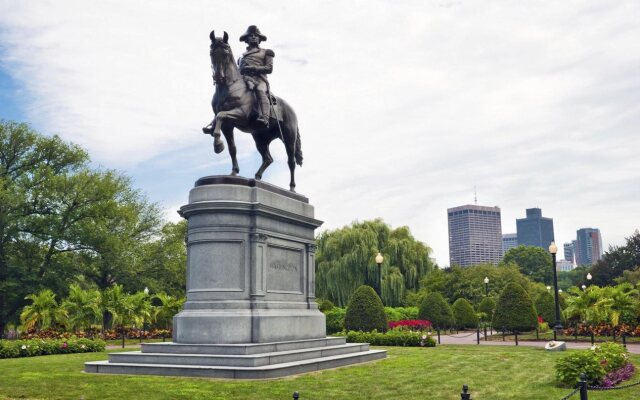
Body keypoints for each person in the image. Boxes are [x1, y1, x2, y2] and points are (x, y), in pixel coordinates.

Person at [238, 25, 274, 128]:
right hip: (245, 80)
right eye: (250, 35)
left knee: (259, 90)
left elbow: (269, 68)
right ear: (246, 39)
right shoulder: (241, 57)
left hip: (260, 80)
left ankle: (265, 117)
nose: (253, 37)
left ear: (259, 39)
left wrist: (253, 68)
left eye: (256, 35)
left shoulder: (266, 52)